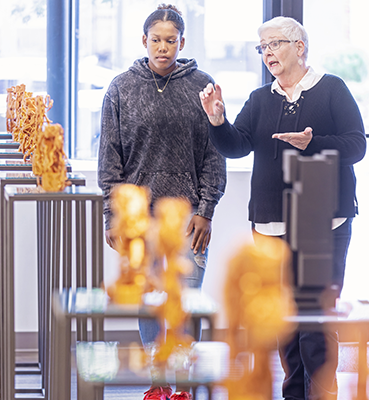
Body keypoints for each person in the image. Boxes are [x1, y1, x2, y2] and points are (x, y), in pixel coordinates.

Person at [199, 16, 366, 400]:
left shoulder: (332, 90)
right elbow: (236, 145)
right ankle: (293, 394)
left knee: (317, 320)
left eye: (273, 44)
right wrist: (217, 120)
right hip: (270, 225)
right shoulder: (260, 99)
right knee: (282, 320)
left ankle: (323, 394)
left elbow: (357, 145)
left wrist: (314, 144)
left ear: (299, 47)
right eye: (262, 48)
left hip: (326, 223)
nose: (267, 54)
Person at [97, 4, 226, 400]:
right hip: (139, 220)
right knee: (150, 303)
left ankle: (184, 384)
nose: (163, 47)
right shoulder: (120, 87)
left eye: (171, 41)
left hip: (189, 220)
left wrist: (207, 209)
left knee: (185, 304)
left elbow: (213, 154)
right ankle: (157, 382)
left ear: (182, 42)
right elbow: (110, 158)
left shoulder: (201, 85)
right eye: (156, 40)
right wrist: (111, 216)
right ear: (144, 41)